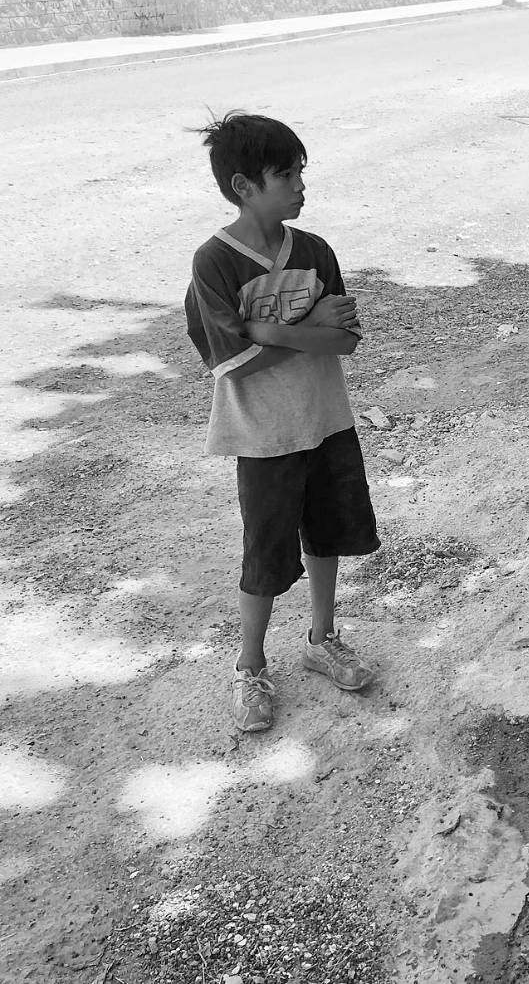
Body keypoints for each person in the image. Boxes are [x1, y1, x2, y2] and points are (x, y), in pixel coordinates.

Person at [185, 112, 381, 733]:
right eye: (286, 174)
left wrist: (268, 329)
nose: (301, 186)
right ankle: (250, 665)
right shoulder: (214, 262)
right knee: (265, 552)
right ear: (244, 186)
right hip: (263, 436)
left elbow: (345, 342)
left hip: (326, 419)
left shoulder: (316, 250)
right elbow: (233, 361)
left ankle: (323, 638)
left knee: (329, 533)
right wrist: (306, 327)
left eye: (301, 172)